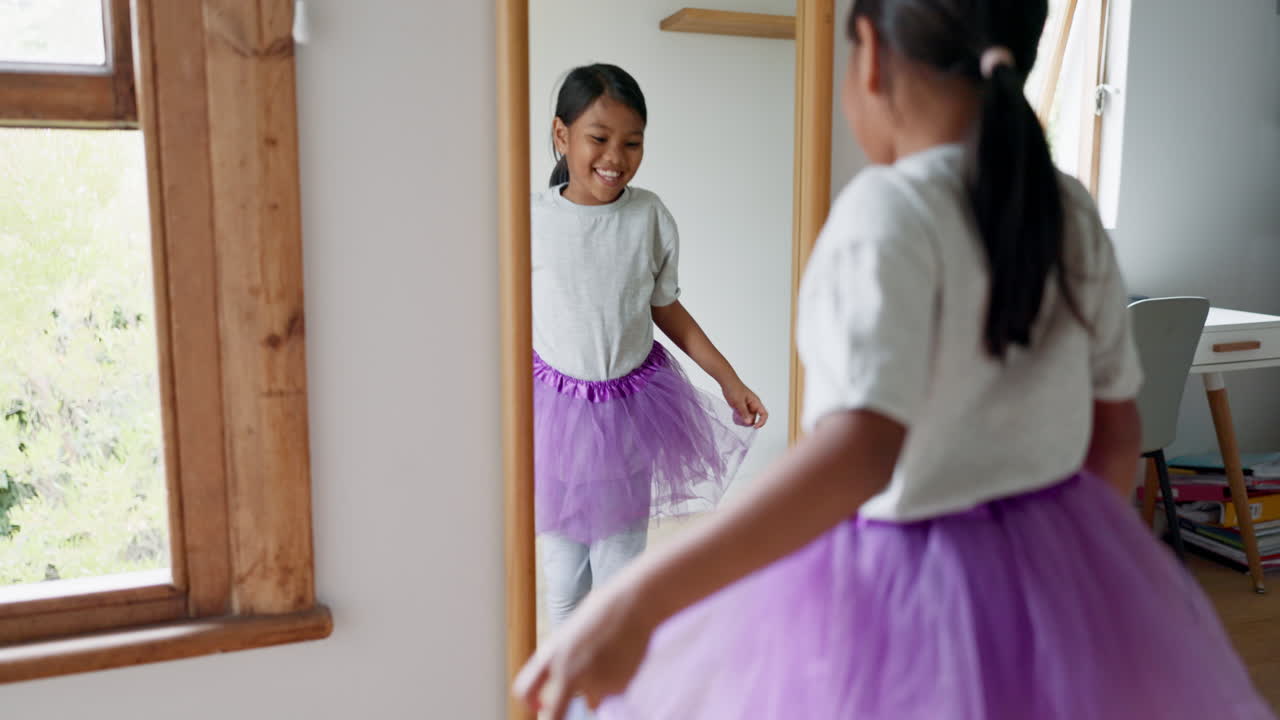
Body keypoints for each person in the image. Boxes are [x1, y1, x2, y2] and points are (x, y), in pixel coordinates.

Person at [515, 4, 1276, 719]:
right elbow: (1115, 434)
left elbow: (862, 454)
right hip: (1046, 583)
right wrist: (1068, 572)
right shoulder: (1070, 208)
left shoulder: (890, 214)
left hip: (905, 595)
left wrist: (644, 600)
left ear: (870, 57)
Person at [532, 64, 767, 627]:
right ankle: (570, 691)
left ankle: (612, 696)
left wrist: (728, 378)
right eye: (599, 138)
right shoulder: (533, 220)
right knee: (564, 580)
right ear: (562, 135)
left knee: (619, 576)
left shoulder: (649, 217)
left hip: (631, 412)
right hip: (555, 413)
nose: (615, 156)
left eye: (631, 142)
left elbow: (666, 309)